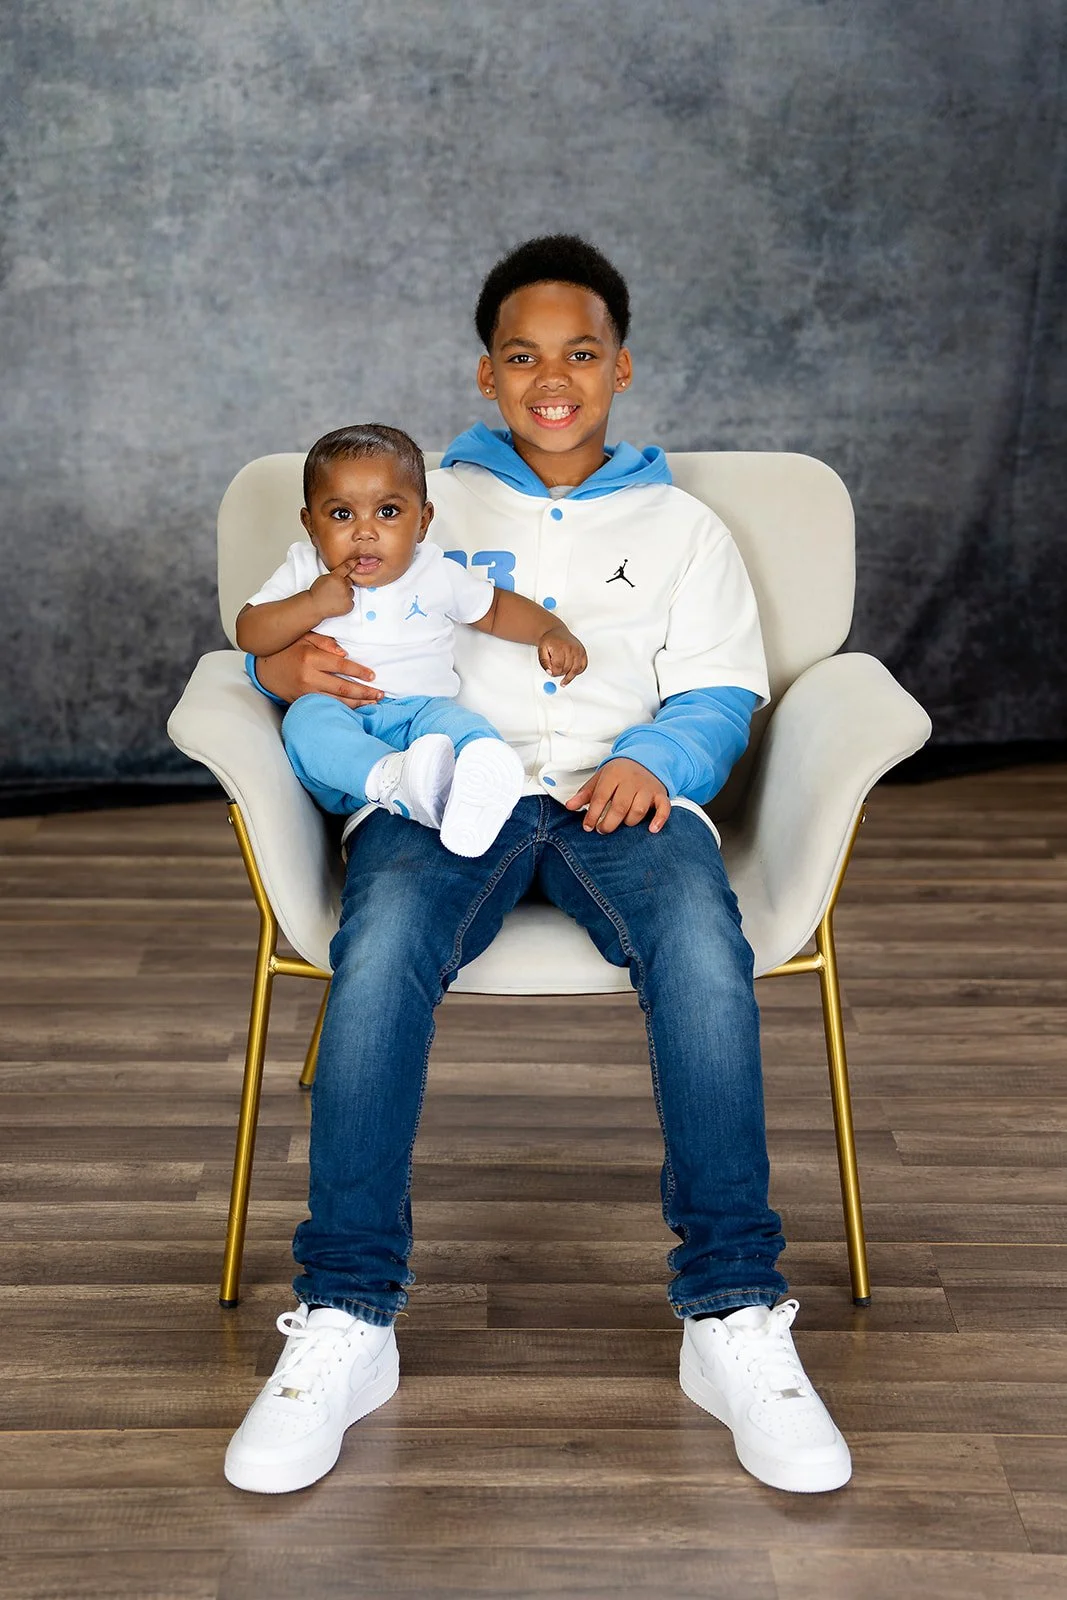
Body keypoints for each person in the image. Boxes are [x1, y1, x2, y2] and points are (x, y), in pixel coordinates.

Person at [224, 235, 852, 1498]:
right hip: (452, 792)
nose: (551, 379)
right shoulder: (411, 493)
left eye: (579, 354)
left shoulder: (683, 526)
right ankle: (346, 1316)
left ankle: (731, 1312)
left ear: (620, 367)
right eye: (522, 357)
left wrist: (661, 759)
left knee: (701, 947)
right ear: (484, 375)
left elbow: (724, 683)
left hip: (619, 796)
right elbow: (287, 626)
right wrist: (283, 670)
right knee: (384, 945)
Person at [235, 423, 587, 857]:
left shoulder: (433, 570)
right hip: (344, 723)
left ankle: (480, 786)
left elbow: (494, 609)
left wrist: (551, 630)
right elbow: (249, 632)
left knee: (465, 728)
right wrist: (310, 603)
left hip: (423, 716)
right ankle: (390, 777)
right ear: (310, 525)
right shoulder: (305, 568)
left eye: (388, 512)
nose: (365, 532)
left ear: (423, 521)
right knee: (306, 722)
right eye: (342, 514)